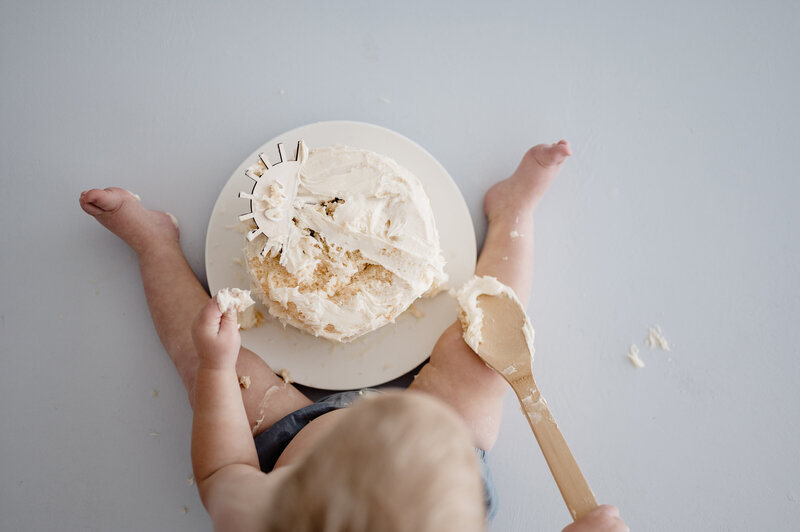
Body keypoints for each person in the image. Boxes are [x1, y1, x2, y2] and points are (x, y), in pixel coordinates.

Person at [79, 140, 628, 531]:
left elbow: (223, 468)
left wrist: (219, 368)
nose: (365, 415)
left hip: (287, 436)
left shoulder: (256, 513)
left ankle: (154, 245)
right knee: (487, 341)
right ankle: (514, 214)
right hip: (446, 443)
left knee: (202, 362)